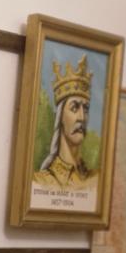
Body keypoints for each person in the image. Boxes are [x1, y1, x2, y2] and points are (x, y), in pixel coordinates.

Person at [35, 55, 96, 189]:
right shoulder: (40, 182)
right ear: (60, 117)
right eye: (74, 107)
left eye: (85, 109)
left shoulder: (96, 180)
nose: (82, 117)